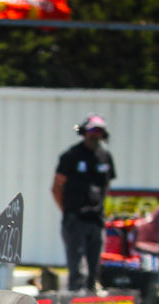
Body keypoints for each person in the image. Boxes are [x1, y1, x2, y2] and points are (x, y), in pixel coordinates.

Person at [52, 114, 116, 292]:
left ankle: (92, 296)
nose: (95, 135)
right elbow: (56, 187)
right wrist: (68, 212)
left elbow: (106, 186)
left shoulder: (105, 157)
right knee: (78, 269)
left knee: (94, 267)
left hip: (96, 219)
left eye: (99, 131)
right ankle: (76, 297)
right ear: (84, 132)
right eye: (92, 130)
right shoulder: (71, 156)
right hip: (76, 218)